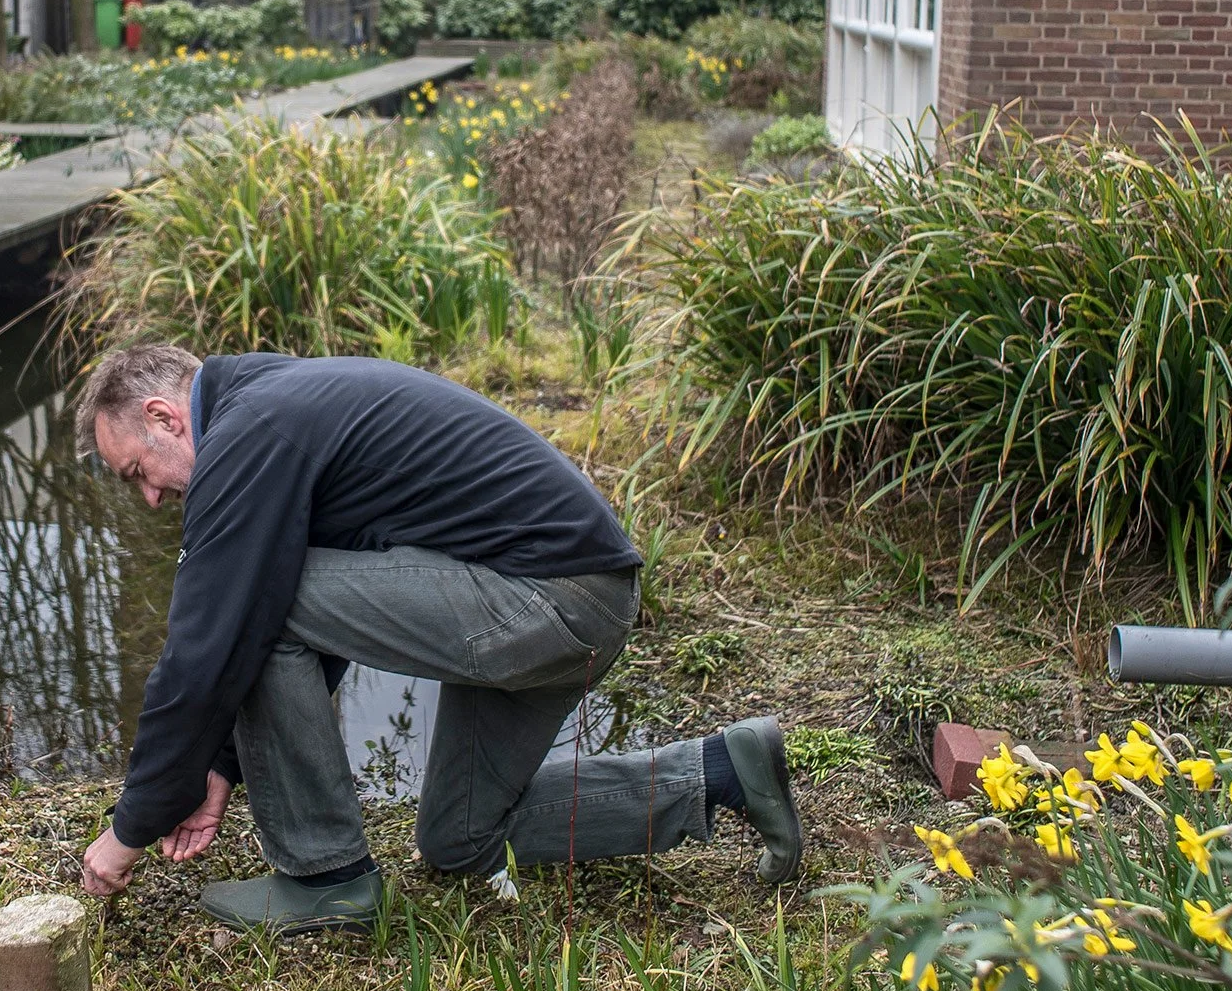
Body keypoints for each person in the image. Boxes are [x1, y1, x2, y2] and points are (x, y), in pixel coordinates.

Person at [76, 343, 803, 933]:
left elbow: (204, 649)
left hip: (547, 598)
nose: (151, 497)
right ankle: (719, 772)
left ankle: (325, 875)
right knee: (460, 839)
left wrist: (131, 826)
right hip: (574, 601)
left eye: (138, 471)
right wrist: (222, 767)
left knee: (257, 597)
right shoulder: (275, 403)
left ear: (165, 417)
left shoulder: (251, 431)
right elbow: (319, 621)